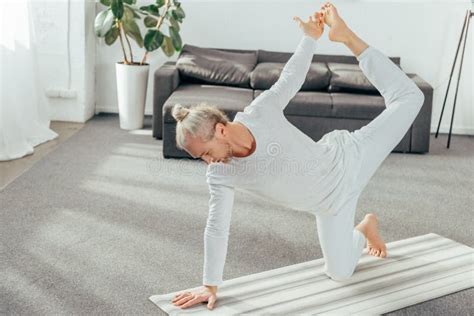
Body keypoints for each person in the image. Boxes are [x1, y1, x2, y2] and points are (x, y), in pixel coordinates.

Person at [171, 2, 424, 310]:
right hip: (330, 206)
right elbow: (216, 226)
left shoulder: (259, 112)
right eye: (201, 159)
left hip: (349, 159)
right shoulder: (222, 173)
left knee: (410, 98)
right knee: (340, 273)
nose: (208, 163)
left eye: (207, 153)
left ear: (221, 131)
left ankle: (349, 38)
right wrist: (210, 284)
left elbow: (290, 77)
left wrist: (310, 38)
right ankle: (365, 227)